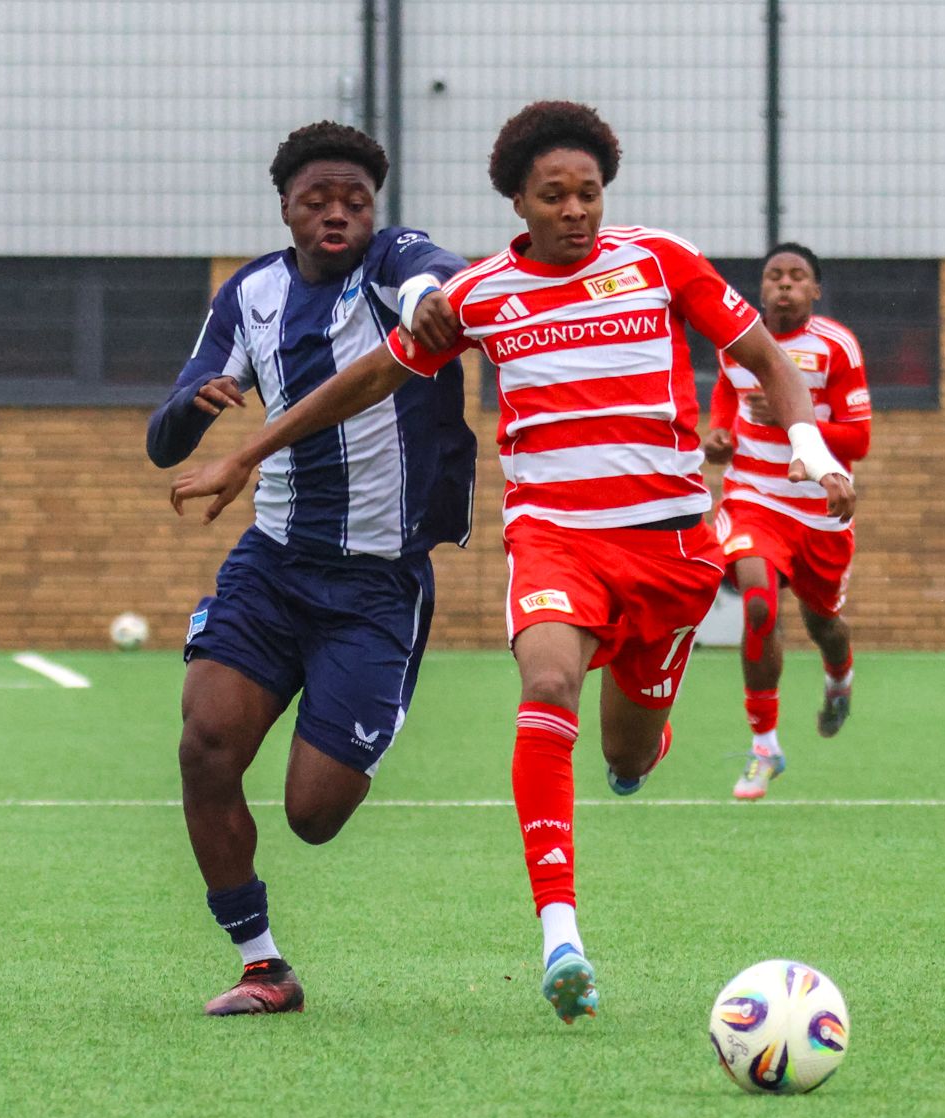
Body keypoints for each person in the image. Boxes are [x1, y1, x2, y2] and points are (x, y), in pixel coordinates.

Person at [170, 102, 854, 1023]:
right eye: (555, 195)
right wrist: (246, 455)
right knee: (544, 687)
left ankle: (645, 726)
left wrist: (812, 451)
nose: (577, 210)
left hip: (670, 545)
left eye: (590, 193)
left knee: (628, 752)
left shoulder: (658, 260)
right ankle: (560, 934)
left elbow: (767, 358)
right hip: (554, 539)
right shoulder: (488, 294)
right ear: (520, 201)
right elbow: (366, 378)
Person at [147, 121, 474, 1017]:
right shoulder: (247, 294)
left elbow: (430, 280)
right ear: (285, 209)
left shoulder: (395, 262)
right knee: (204, 746)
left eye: (354, 201)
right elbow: (162, 439)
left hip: (377, 585)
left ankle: (373, 703)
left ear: (375, 209)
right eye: (316, 201)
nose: (337, 213)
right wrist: (189, 409)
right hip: (273, 564)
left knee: (313, 816)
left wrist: (430, 300)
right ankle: (264, 967)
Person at [705, 244, 872, 800]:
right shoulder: (741, 339)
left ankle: (839, 679)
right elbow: (728, 385)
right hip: (754, 498)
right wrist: (721, 432)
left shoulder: (835, 347)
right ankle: (765, 747)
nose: (784, 285)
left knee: (824, 622)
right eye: (774, 276)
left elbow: (859, 438)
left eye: (797, 277)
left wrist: (788, 416)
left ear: (815, 291)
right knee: (758, 602)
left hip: (818, 512)